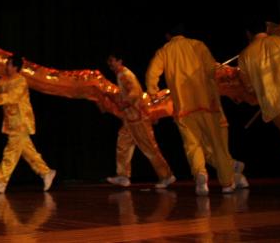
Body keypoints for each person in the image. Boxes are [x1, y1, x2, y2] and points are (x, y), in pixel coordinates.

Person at [145, 25, 248, 195]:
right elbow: (210, 70)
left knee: (192, 145)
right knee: (218, 144)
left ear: (168, 35)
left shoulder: (164, 51)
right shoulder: (197, 45)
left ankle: (200, 174)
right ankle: (227, 184)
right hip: (207, 104)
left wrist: (153, 93)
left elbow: (151, 73)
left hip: (184, 108)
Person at [0, 54, 56, 193]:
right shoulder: (3, 81)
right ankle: (46, 172)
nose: (6, 66)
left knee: (11, 151)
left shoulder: (21, 81)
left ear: (15, 67)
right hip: (11, 121)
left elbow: (12, 97)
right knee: (27, 150)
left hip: (21, 120)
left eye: (9, 64)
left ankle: (0, 181)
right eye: (7, 64)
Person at [104, 53, 175, 189]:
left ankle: (167, 176)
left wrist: (124, 103)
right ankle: (123, 176)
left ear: (120, 60)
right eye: (109, 62)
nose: (110, 65)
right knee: (123, 144)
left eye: (112, 61)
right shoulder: (120, 75)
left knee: (149, 148)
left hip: (138, 118)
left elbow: (135, 92)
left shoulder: (126, 75)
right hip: (130, 119)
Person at [238, 18, 280, 155]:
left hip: (273, 105)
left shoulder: (244, 56)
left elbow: (249, 87)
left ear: (248, 34)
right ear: (266, 29)